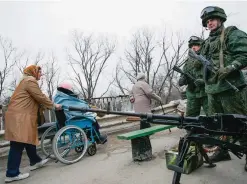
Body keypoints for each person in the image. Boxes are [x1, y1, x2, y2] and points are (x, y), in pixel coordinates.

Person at [200, 6, 247, 169]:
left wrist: (230, 67)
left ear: (220, 19)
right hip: (212, 91)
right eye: (207, 21)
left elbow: (244, 53)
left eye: (212, 19)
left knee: (241, 124)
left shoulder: (231, 34)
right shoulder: (206, 43)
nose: (209, 23)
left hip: (231, 89)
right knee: (218, 125)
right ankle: (223, 150)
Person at [4, 65, 62, 183]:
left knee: (27, 139)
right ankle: (12, 173)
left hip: (20, 116)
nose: (41, 74)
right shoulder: (30, 80)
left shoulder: (25, 81)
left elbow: (36, 99)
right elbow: (39, 97)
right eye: (40, 72)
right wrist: (53, 105)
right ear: (34, 72)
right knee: (17, 144)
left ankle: (35, 161)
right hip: (19, 117)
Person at [178, 36, 208, 117]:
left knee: (212, 117)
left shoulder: (207, 57)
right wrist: (182, 79)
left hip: (206, 93)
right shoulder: (188, 62)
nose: (193, 47)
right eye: (191, 46)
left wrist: (204, 81)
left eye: (196, 45)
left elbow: (215, 73)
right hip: (192, 93)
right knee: (191, 119)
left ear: (201, 46)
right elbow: (183, 73)